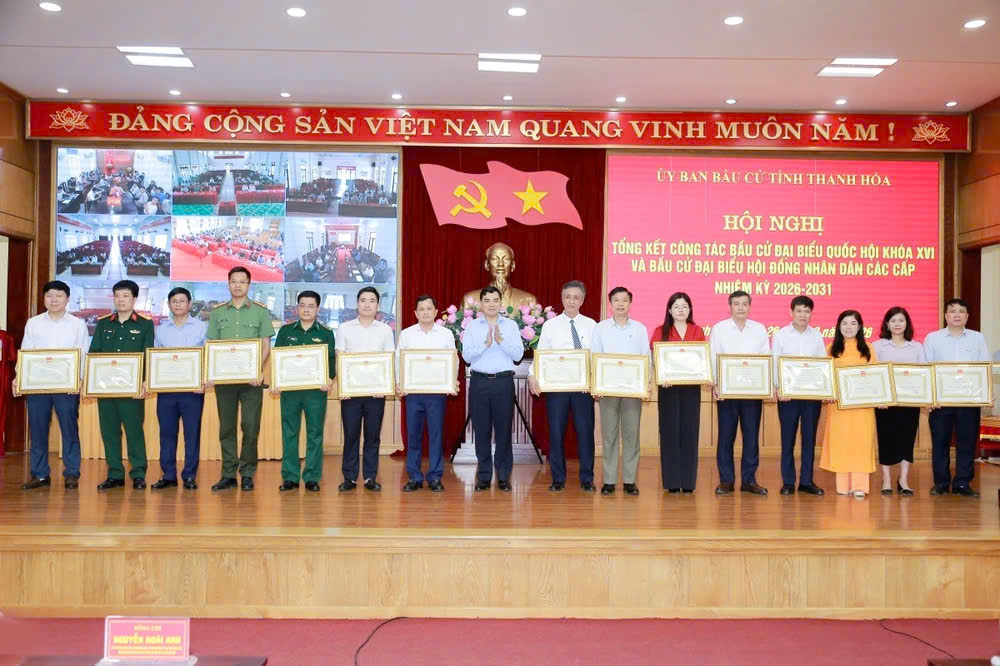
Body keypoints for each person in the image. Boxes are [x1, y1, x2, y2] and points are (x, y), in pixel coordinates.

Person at [206, 266, 276, 492]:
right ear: (228, 284)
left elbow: (265, 344)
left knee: (251, 426)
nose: (238, 285)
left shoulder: (260, 311)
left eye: (242, 281)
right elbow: (212, 345)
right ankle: (228, 474)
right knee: (226, 428)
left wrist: (257, 369)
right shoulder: (217, 313)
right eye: (234, 281)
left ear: (248, 285)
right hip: (225, 381)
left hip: (251, 381)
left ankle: (247, 473)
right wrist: (212, 372)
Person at [15, 281, 89, 490]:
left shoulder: (78, 324)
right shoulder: (33, 323)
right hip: (38, 385)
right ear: (44, 299)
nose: (54, 300)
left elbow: (83, 353)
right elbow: (26, 352)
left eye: (58, 295)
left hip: (67, 386)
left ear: (67, 299)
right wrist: (18, 377)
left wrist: (80, 379)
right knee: (38, 430)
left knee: (69, 430)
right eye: (49, 295)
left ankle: (72, 474)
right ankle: (40, 475)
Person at [529, 280, 598, 492]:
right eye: (567, 297)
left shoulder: (592, 325)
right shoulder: (550, 326)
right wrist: (532, 375)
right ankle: (557, 479)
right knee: (556, 433)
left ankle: (587, 479)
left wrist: (595, 381)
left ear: (582, 300)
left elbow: (596, 357)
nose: (571, 301)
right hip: (557, 388)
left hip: (582, 389)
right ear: (562, 298)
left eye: (576, 297)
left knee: (585, 434)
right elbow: (541, 354)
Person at [89, 279, 155, 490]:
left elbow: (148, 355)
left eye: (126, 296)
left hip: (131, 390)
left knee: (134, 432)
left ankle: (138, 474)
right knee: (109, 432)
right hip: (106, 389)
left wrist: (144, 382)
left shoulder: (145, 324)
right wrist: (92, 383)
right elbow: (94, 353)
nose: (121, 300)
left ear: (135, 299)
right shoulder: (104, 323)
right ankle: (115, 474)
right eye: (117, 296)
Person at [923, 298, 990, 498]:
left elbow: (984, 367)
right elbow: (926, 369)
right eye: (952, 311)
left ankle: (962, 483)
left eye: (961, 311)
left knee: (967, 443)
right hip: (941, 401)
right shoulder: (933, 338)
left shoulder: (977, 338)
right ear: (946, 315)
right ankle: (941, 483)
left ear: (967, 316)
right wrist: (929, 398)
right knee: (940, 443)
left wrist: (987, 394)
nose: (957, 315)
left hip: (969, 400)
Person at [461, 286, 524, 491]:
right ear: (481, 303)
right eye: (487, 300)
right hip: (479, 382)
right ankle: (484, 477)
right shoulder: (472, 327)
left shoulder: (511, 325)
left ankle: (503, 477)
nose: (491, 304)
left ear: (501, 303)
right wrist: (485, 344)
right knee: (482, 431)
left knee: (504, 430)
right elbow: (466, 356)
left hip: (503, 383)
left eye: (495, 300)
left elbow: (518, 355)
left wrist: (500, 341)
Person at [272, 290, 336, 493]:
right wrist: (277, 381)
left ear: (318, 309)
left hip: (315, 391)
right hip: (290, 391)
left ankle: (312, 477)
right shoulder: (285, 331)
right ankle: (290, 477)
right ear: (297, 308)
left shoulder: (326, 333)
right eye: (302, 305)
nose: (306, 309)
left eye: (311, 306)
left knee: (315, 433)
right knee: (289, 432)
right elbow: (277, 359)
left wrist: (329, 379)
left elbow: (331, 362)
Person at [709, 290, 770, 496]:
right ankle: (726, 480)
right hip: (727, 392)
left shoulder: (759, 329)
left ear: (750, 307)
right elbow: (713, 357)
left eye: (744, 304)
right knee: (726, 437)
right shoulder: (719, 329)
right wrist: (716, 385)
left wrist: (766, 385)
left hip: (753, 392)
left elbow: (766, 357)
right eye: (736, 304)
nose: (741, 307)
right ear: (730, 307)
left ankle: (749, 480)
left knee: (751, 437)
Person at [335, 286, 395, 492]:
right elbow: (340, 358)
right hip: (351, 393)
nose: (367, 304)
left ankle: (370, 477)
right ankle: (349, 478)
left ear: (378, 305)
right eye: (363, 300)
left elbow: (389, 359)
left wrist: (384, 386)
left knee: (372, 436)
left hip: (375, 392)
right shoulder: (344, 328)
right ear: (357, 304)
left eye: (372, 301)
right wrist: (343, 387)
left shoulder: (385, 330)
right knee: (351, 435)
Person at [590, 286, 649, 496]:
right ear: (610, 304)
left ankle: (630, 481)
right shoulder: (601, 328)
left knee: (632, 435)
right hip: (608, 389)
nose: (620, 304)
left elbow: (646, 357)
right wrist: (596, 384)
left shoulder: (640, 329)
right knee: (609, 436)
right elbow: (594, 356)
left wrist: (646, 384)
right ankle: (609, 480)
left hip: (633, 390)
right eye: (616, 300)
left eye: (624, 300)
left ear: (630, 303)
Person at [396, 294, 458, 492]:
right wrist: (399, 383)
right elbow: (399, 360)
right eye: (421, 309)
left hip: (436, 393)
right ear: (415, 313)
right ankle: (414, 477)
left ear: (436, 311)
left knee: (436, 435)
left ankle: (435, 476)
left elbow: (453, 359)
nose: (425, 312)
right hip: (413, 393)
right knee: (413, 436)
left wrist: (451, 381)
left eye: (429, 308)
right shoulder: (406, 334)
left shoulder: (445, 335)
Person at [151, 287, 207, 491]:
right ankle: (168, 475)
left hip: (193, 392)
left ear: (189, 304)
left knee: (192, 434)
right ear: (169, 305)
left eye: (182, 301)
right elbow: (155, 359)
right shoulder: (161, 330)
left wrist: (203, 380)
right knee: (167, 433)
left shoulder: (202, 328)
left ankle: (190, 475)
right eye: (174, 301)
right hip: (167, 391)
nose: (178, 304)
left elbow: (208, 357)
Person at [771, 295, 827, 496]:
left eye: (807, 311)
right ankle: (788, 482)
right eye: (799, 311)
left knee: (809, 440)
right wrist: (778, 388)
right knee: (787, 440)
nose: (803, 315)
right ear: (791, 312)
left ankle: (806, 481)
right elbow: (775, 362)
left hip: (811, 397)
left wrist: (824, 388)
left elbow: (822, 365)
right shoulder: (781, 335)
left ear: (811, 314)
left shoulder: (817, 336)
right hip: (788, 397)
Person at [820, 310, 878, 498]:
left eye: (853, 323)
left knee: (861, 443)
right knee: (841, 443)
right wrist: (828, 393)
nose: (848, 327)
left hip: (862, 407)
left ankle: (860, 486)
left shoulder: (868, 348)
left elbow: (875, 377)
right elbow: (826, 377)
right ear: (839, 326)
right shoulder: (831, 348)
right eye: (844, 323)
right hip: (839, 407)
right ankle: (843, 486)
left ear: (859, 326)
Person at [651, 292, 705, 494]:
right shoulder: (660, 331)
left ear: (690, 309)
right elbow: (655, 359)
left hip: (692, 388)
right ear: (669, 310)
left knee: (690, 433)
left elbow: (701, 360)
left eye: (684, 306)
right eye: (676, 306)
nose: (681, 310)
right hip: (668, 388)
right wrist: (661, 375)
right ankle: (672, 482)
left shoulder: (697, 331)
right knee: (669, 433)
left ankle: (688, 482)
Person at [872, 307, 925, 496]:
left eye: (901, 320)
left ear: (907, 324)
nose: (897, 324)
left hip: (909, 402)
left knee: (906, 440)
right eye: (893, 321)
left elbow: (923, 374)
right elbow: (873, 375)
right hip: (885, 403)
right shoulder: (877, 346)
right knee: (886, 439)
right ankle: (886, 479)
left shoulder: (917, 347)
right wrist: (879, 398)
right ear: (887, 324)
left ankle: (903, 479)